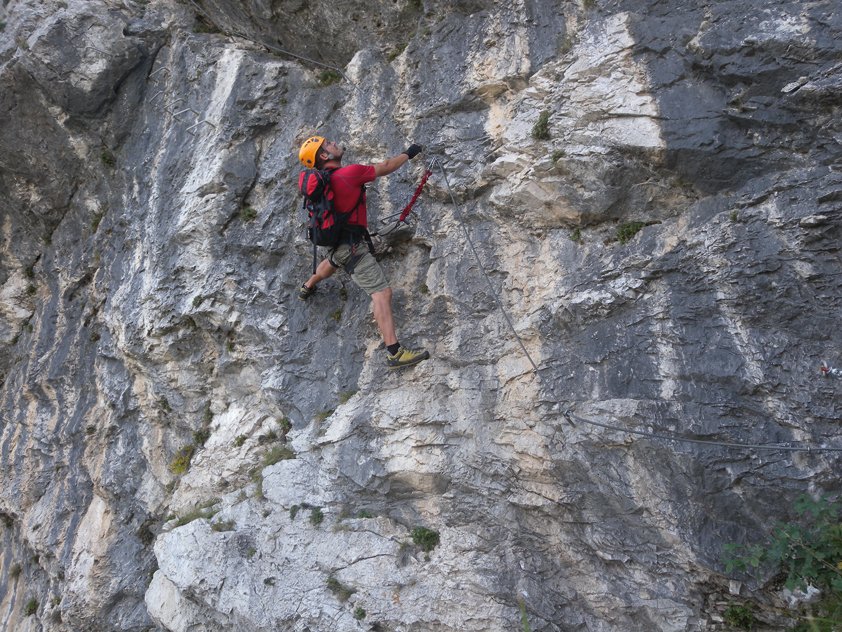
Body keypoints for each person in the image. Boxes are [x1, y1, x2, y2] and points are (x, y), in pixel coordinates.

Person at [297, 135, 430, 370]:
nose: (333, 143)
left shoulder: (324, 184)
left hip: (338, 243)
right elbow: (386, 166)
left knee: (334, 260)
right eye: (328, 144)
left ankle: (308, 285)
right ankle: (394, 352)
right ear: (325, 156)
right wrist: (409, 153)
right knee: (382, 293)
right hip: (352, 248)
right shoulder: (350, 173)